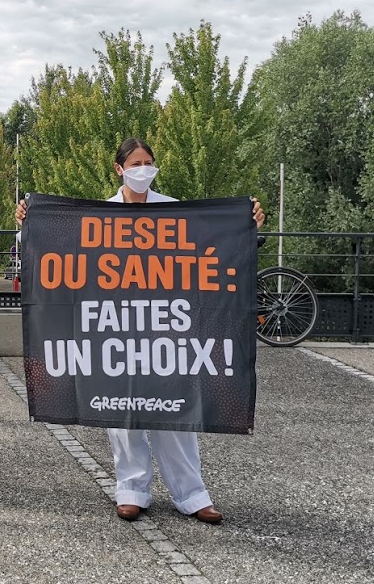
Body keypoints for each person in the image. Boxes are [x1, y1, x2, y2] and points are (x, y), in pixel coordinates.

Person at [16, 137, 265, 525]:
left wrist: (245, 223)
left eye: (148, 161)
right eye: (134, 163)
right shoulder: (100, 215)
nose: (142, 169)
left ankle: (192, 494)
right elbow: (56, 253)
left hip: (165, 326)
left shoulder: (173, 211)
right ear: (118, 169)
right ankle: (132, 489)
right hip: (115, 327)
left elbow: (213, 248)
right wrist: (29, 224)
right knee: (122, 410)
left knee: (175, 407)